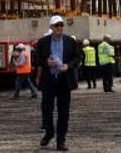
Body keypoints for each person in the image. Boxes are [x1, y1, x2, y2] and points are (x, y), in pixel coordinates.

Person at [36, 15, 79, 151]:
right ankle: (49, 133)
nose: (60, 27)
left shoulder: (69, 41)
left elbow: (78, 57)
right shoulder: (43, 42)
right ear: (51, 27)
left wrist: (69, 66)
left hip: (64, 80)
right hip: (49, 79)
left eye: (61, 25)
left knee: (64, 112)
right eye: (57, 25)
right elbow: (36, 59)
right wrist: (46, 63)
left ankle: (61, 141)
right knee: (46, 109)